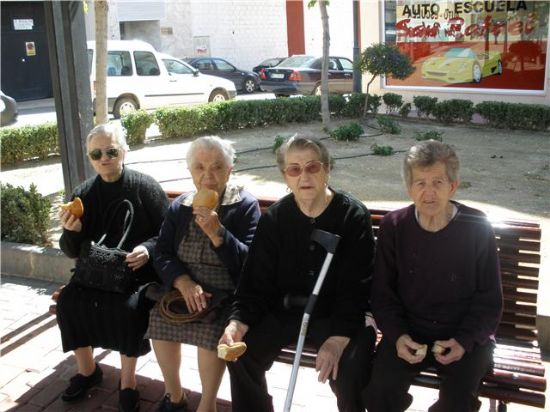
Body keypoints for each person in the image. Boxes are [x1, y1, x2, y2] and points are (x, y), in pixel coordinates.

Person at [219, 136, 376, 412]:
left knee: (349, 366)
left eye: (313, 167)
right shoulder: (275, 218)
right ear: (286, 177)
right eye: (294, 169)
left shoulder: (351, 215)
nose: (304, 175)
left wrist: (338, 338)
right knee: (241, 354)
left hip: (335, 313)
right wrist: (239, 321)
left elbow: (358, 286)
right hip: (286, 311)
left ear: (327, 169)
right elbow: (255, 280)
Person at [363, 140, 503, 412]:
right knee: (379, 393)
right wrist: (398, 335)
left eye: (437, 182)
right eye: (420, 183)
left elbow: (489, 301)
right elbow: (382, 295)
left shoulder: (477, 227)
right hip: (410, 333)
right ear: (409, 188)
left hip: (464, 336)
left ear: (453, 186)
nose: (429, 193)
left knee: (458, 403)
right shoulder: (394, 226)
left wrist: (463, 341)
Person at [56, 123, 169, 412]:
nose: (104, 157)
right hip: (95, 274)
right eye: (96, 153)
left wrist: (148, 249)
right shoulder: (82, 195)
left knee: (128, 309)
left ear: (124, 151)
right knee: (69, 301)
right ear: (89, 157)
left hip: (137, 274)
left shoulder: (145, 187)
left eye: (111, 150)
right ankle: (87, 371)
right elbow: (70, 251)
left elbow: (169, 233)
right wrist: (73, 231)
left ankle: (127, 382)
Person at [146, 135, 261, 412]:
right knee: (160, 322)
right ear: (190, 172)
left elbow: (251, 264)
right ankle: (174, 396)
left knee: (212, 331)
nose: (208, 176)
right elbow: (161, 252)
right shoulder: (180, 206)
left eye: (217, 167)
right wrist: (182, 281)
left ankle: (207, 405)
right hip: (183, 287)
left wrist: (219, 235)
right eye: (200, 167)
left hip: (224, 291)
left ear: (229, 171)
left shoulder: (244, 205)